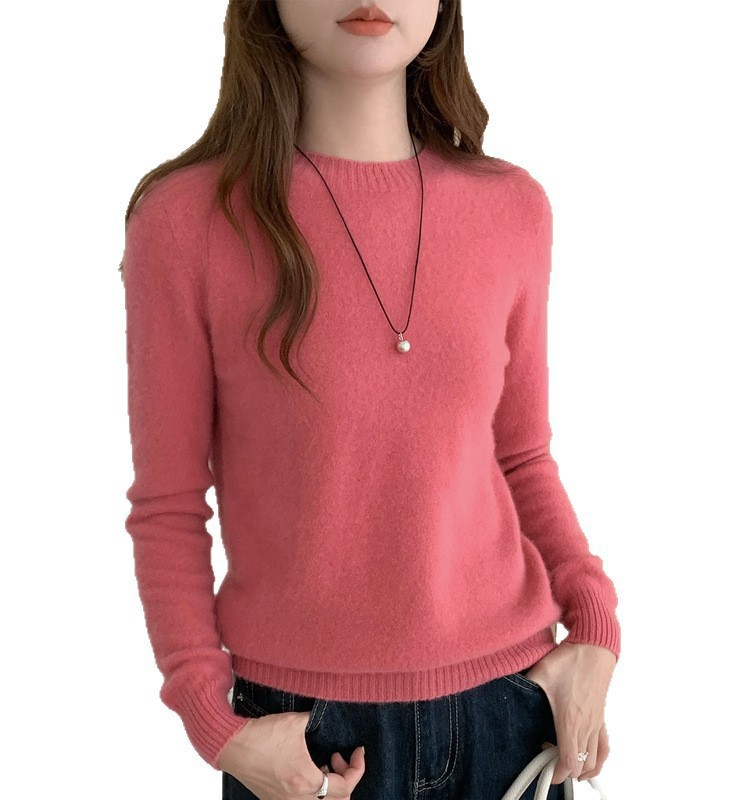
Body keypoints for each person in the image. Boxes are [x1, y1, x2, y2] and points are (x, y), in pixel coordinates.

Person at [120, 2, 621, 798]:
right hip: (306, 743)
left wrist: (594, 625)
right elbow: (169, 504)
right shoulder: (186, 222)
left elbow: (521, 453)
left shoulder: (512, 209)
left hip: (511, 712)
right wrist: (215, 725)